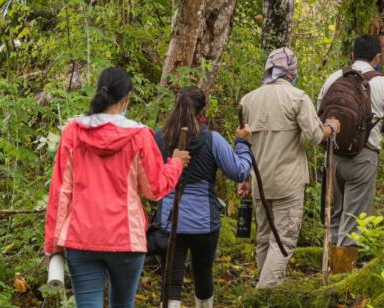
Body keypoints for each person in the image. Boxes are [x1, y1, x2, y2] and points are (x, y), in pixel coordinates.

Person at [44, 67, 190, 308]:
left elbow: (60, 193)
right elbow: (154, 189)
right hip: (126, 240)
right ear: (126, 98)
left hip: (81, 238)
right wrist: (175, 164)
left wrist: (53, 244)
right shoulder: (140, 136)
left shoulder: (73, 133)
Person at [238, 47, 340, 289]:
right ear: (291, 73)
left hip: (258, 182)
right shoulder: (297, 97)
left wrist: (243, 178)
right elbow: (315, 136)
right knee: (282, 241)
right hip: (288, 183)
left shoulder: (247, 100)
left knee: (264, 240)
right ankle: (262, 296)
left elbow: (243, 141)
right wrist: (332, 127)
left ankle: (270, 291)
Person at [155, 86, 252, 308]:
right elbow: (239, 172)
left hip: (170, 222)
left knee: (172, 278)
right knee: (203, 273)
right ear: (202, 111)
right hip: (204, 223)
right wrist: (242, 143)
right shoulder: (212, 140)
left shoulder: (159, 137)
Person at [317, 35, 384, 272]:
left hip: (333, 155)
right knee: (355, 219)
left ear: (352, 55)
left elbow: (319, 113)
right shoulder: (383, 83)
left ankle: (328, 269)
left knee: (336, 213)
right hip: (363, 157)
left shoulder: (334, 78)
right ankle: (341, 280)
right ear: (377, 57)